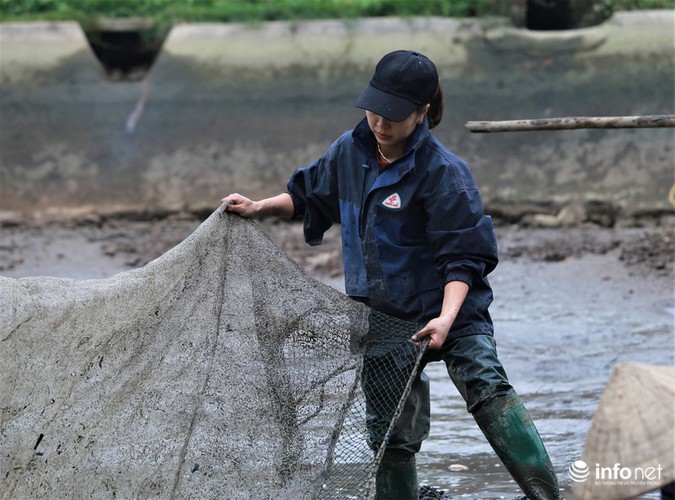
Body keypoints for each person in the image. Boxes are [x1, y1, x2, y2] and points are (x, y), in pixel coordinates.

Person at [221, 49, 561, 500]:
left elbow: (463, 259)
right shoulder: (350, 151)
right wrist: (259, 207)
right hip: (382, 315)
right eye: (375, 110)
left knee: (486, 388)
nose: (381, 123)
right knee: (390, 429)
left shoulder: (444, 174)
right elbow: (308, 194)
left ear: (422, 113)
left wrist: (445, 318)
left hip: (449, 308)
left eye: (395, 116)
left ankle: (546, 494)